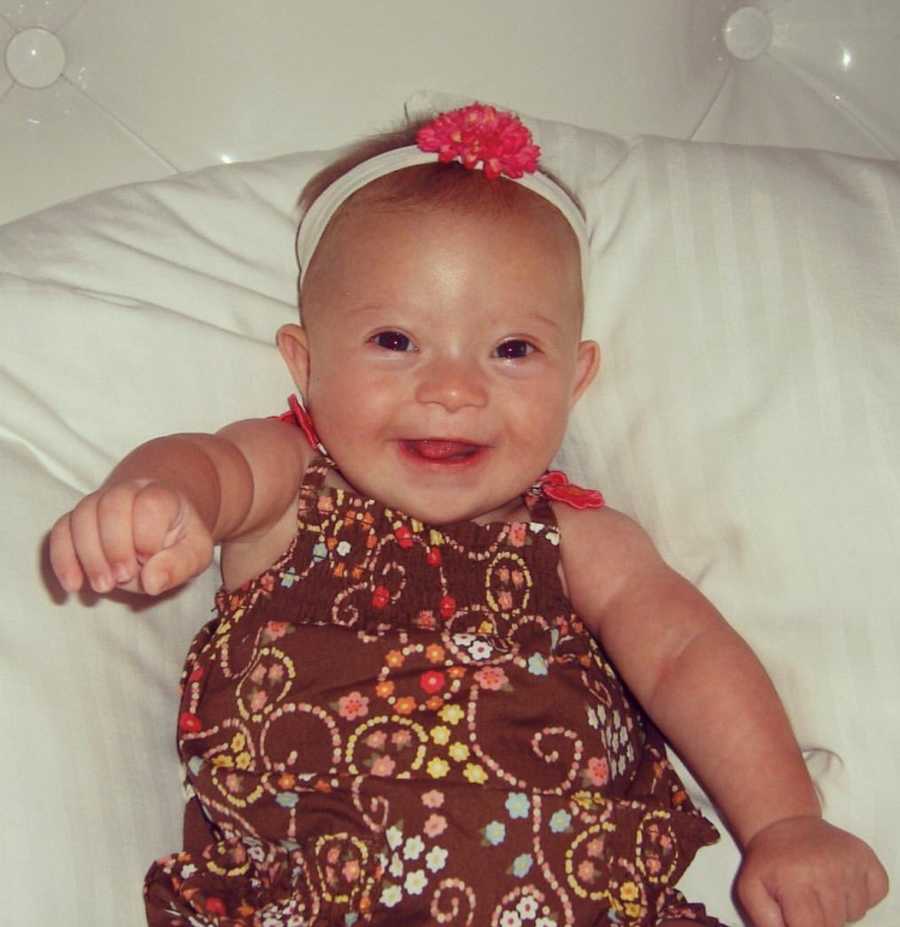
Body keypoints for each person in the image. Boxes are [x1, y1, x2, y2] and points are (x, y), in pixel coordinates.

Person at [49, 104, 887, 927]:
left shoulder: (584, 539)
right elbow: (209, 467)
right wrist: (154, 499)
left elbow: (687, 655)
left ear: (577, 378)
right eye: (395, 341)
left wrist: (786, 823)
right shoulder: (294, 484)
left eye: (512, 350)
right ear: (306, 365)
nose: (454, 389)